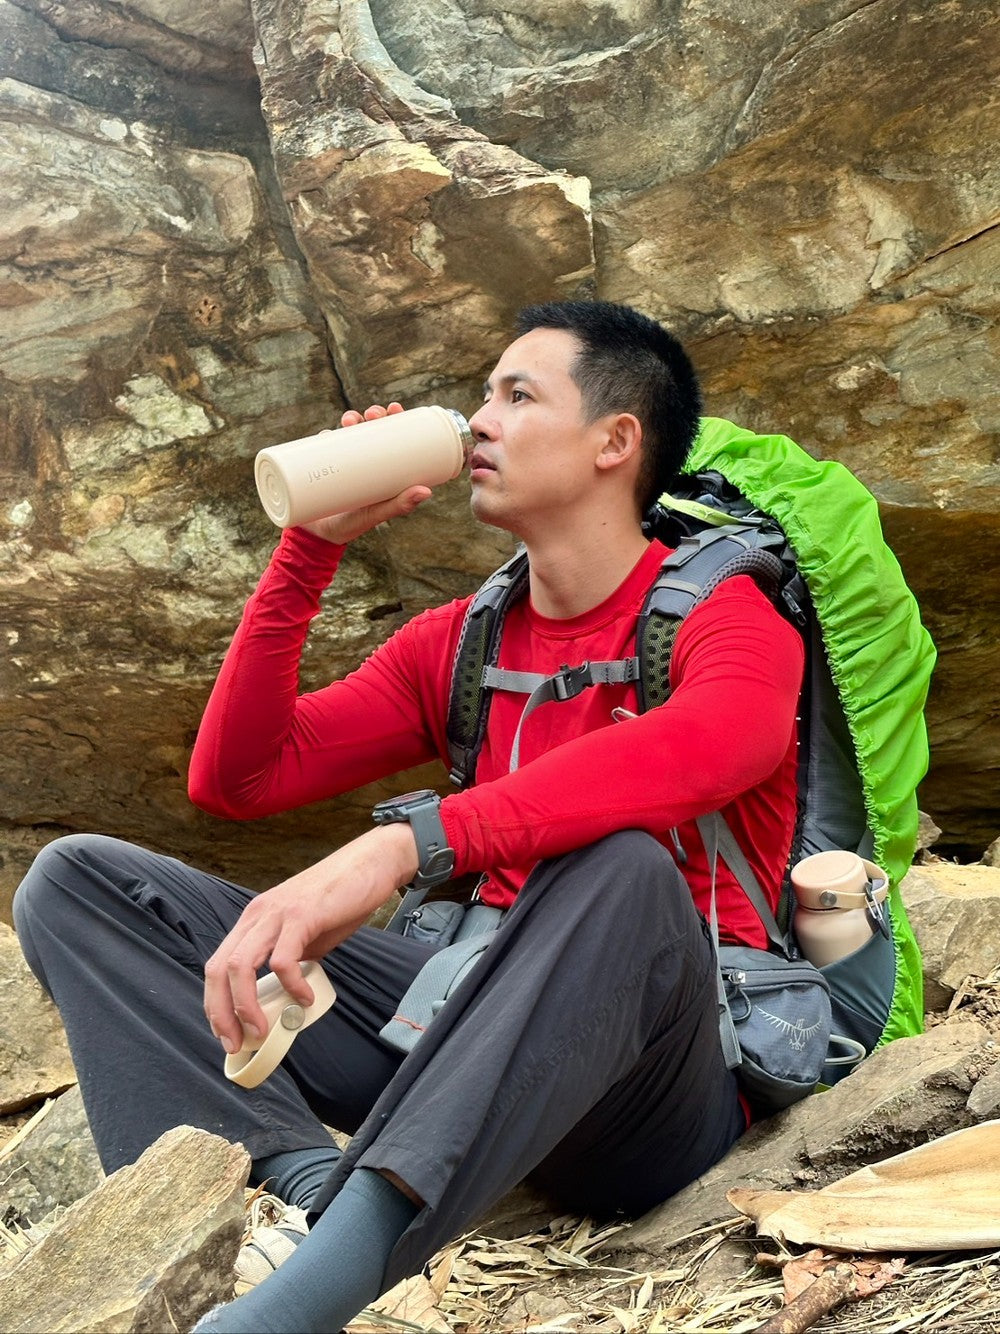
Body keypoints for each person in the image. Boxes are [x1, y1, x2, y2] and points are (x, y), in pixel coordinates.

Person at [13, 301, 804, 1333]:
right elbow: (239, 777)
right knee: (78, 883)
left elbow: (713, 744)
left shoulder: (727, 614)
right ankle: (303, 1193)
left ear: (617, 441)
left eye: (518, 395)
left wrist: (405, 844)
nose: (480, 419)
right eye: (482, 394)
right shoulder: (465, 640)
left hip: (650, 1088)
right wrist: (307, 550)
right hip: (457, 1018)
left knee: (620, 868)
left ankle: (294, 1305)